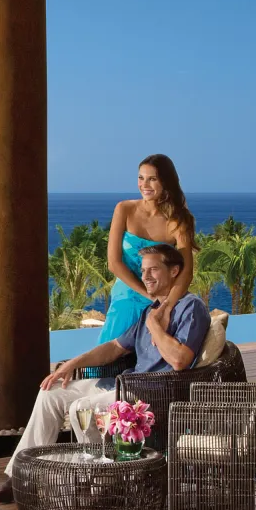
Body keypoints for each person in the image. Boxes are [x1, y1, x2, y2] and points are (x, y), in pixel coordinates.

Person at [0, 241, 208, 502]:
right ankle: (19, 479)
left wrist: (155, 325)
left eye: (153, 270)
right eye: (143, 270)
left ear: (175, 271)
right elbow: (115, 347)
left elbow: (179, 360)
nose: (145, 276)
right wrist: (73, 364)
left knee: (83, 408)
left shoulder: (191, 308)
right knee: (51, 392)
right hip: (125, 384)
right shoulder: (150, 310)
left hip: (154, 392)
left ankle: (98, 483)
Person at [91, 156, 196, 373]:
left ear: (166, 182)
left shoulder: (178, 219)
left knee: (155, 365)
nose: (144, 185)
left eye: (152, 179)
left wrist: (165, 307)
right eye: (141, 178)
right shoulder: (124, 209)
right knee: (104, 366)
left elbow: (186, 272)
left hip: (163, 298)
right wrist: (149, 297)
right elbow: (114, 263)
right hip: (128, 296)